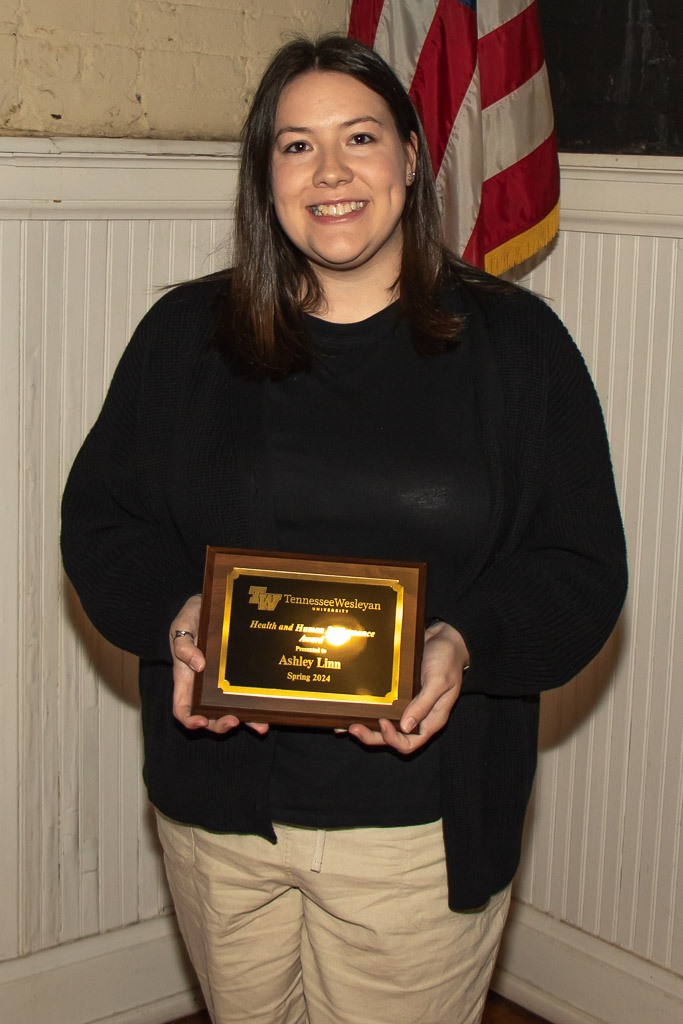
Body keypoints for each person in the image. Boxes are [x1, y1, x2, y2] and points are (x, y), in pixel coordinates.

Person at [61, 34, 627, 1024]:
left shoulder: (517, 349)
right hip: (218, 817)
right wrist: (180, 614)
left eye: (358, 137)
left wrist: (463, 642)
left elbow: (579, 569)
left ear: (409, 156)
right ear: (263, 176)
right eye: (294, 146)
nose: (329, 172)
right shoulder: (182, 341)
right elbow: (102, 521)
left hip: (419, 826)